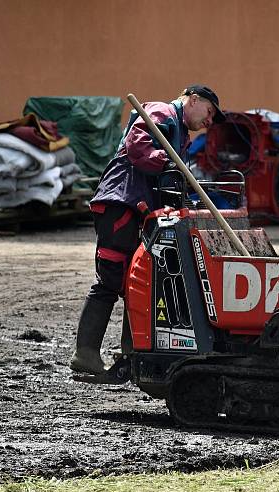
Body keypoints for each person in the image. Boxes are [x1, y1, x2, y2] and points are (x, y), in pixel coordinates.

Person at [70, 84, 225, 375]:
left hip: (139, 209)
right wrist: (168, 163)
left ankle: (132, 356)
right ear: (193, 100)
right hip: (122, 205)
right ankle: (86, 354)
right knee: (111, 280)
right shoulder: (161, 112)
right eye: (209, 112)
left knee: (138, 284)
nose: (209, 122)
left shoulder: (180, 134)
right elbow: (138, 146)